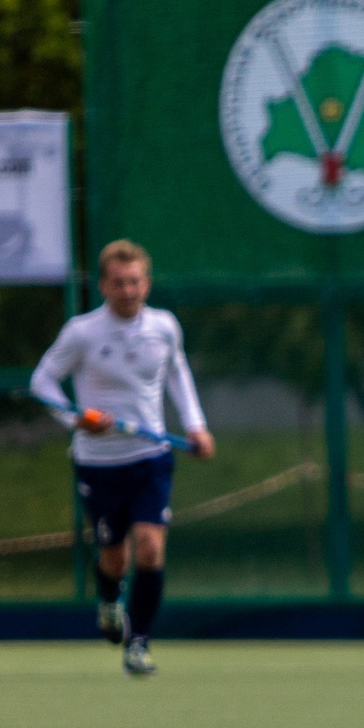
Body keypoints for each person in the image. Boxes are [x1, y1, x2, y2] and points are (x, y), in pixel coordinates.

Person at [29, 240, 215, 678]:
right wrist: (76, 419)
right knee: (115, 559)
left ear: (146, 283)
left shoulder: (165, 326)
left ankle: (139, 643)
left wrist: (196, 425)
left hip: (150, 457)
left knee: (150, 548)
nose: (128, 291)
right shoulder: (83, 332)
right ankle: (110, 600)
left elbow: (177, 373)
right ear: (103, 286)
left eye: (135, 282)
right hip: (98, 462)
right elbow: (43, 381)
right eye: (118, 283)